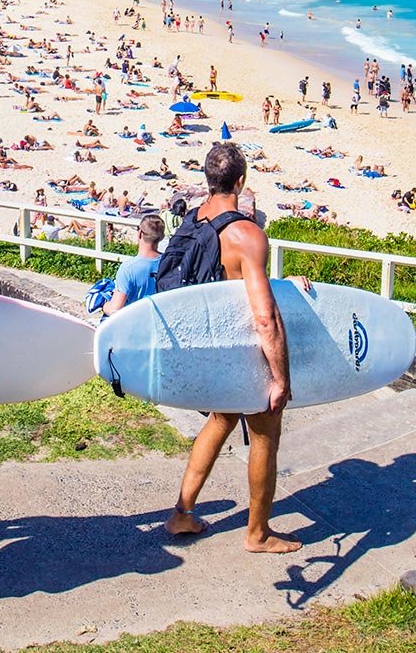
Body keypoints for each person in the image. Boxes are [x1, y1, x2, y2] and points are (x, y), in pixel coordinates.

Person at [164, 142, 303, 554]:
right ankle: (258, 534)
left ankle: (182, 514)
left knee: (222, 419)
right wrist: (280, 378)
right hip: (243, 350)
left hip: (208, 345)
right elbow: (265, 317)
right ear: (241, 181)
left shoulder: (192, 220)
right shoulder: (245, 234)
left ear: (209, 180)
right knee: (265, 434)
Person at [100, 215, 165, 316]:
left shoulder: (128, 268)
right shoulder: (168, 263)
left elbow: (115, 310)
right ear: (162, 237)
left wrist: (103, 304)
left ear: (140, 234)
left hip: (135, 324)